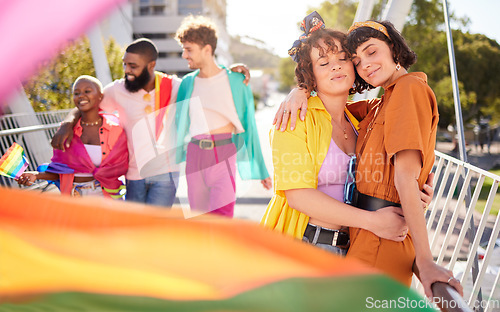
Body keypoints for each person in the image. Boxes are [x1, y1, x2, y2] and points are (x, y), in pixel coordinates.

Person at [275, 18, 463, 298]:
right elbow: (298, 196)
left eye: (343, 58)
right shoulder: (296, 119)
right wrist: (299, 90)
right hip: (311, 248)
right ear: (311, 74)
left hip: (355, 245)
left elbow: (402, 160)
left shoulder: (360, 117)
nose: (337, 66)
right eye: (323, 63)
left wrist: (413, 191)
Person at [51, 38, 251, 207]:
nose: (126, 70)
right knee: (134, 228)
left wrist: (228, 74)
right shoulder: (117, 90)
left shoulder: (174, 86)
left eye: (133, 66)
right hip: (133, 174)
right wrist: (67, 124)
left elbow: (207, 88)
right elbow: (88, 102)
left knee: (154, 230)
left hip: (166, 173)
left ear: (151, 65)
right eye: (124, 64)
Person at [174, 15, 272, 218]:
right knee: (198, 220)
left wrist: (260, 168)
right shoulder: (186, 83)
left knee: (222, 220)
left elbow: (250, 126)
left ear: (207, 50)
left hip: (224, 153)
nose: (184, 55)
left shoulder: (237, 81)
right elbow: (177, 124)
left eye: (189, 49)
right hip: (195, 154)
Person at [18, 75, 128, 198]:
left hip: (107, 196)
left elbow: (124, 165)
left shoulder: (115, 130)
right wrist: (36, 175)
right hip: (74, 197)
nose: (81, 95)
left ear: (100, 96)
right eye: (76, 93)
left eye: (87, 91)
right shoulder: (65, 131)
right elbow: (60, 170)